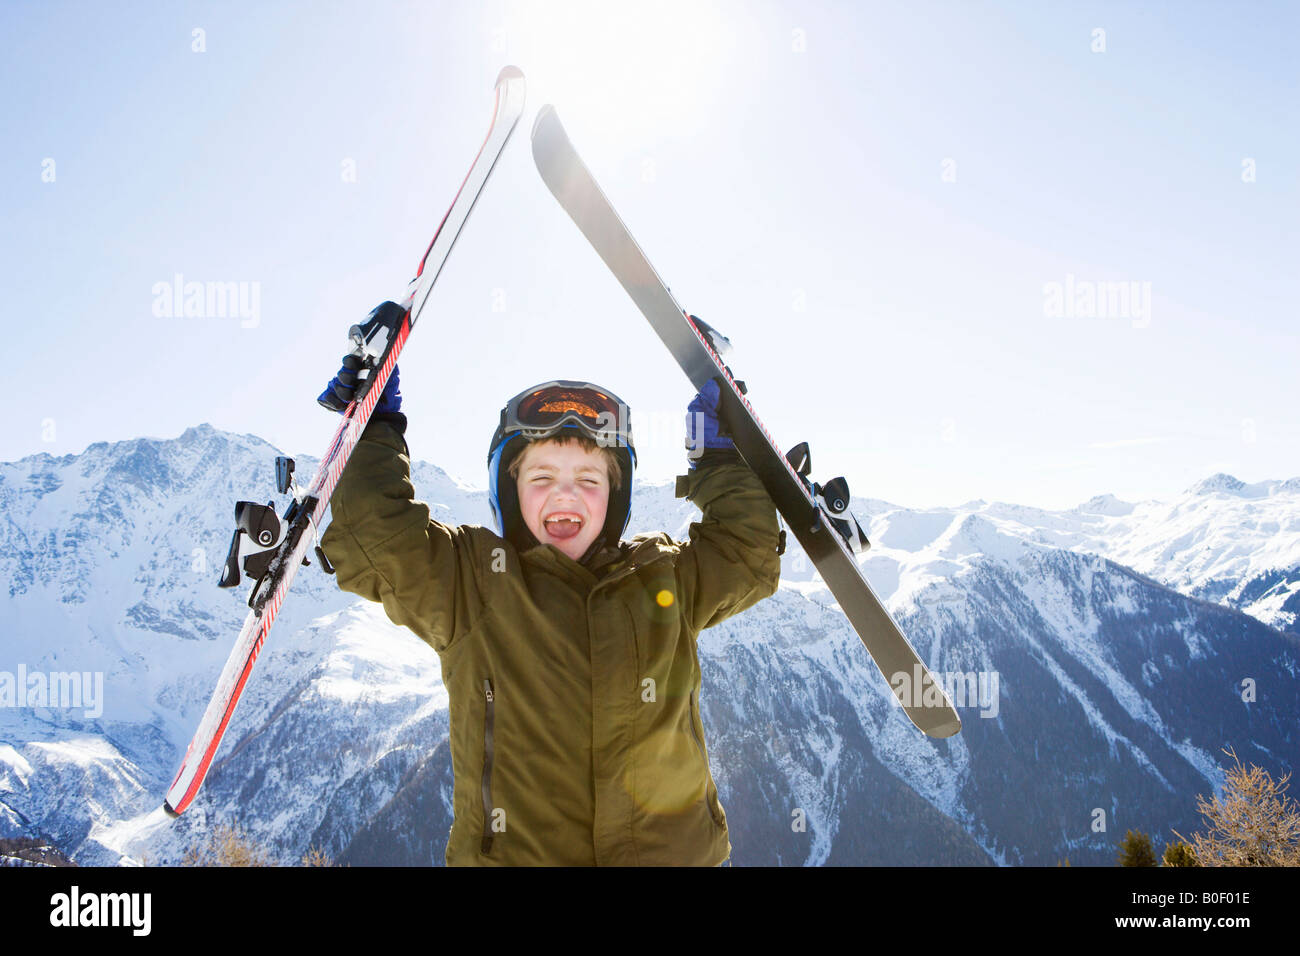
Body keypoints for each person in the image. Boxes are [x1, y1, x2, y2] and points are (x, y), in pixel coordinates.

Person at [317, 307, 781, 865]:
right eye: (542, 478)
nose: (566, 496)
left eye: (589, 480)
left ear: (615, 497)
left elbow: (746, 552)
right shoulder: (471, 584)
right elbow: (375, 537)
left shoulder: (664, 580)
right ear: (510, 493)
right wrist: (374, 427)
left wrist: (723, 457)